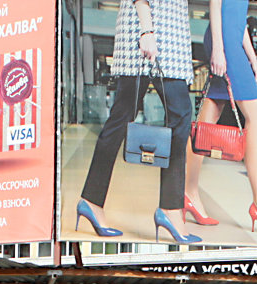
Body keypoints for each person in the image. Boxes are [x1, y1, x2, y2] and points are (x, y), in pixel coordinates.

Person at [76, 0, 201, 245]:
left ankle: (91, 200)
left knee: (122, 117)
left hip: (166, 33)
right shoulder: (148, 31)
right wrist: (146, 30)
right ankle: (170, 209)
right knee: (178, 115)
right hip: (151, 31)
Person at [184, 0, 257, 237]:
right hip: (225, 44)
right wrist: (219, 50)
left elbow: (238, 16)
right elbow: (216, 4)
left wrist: (251, 56)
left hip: (231, 42)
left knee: (208, 119)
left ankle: (189, 192)